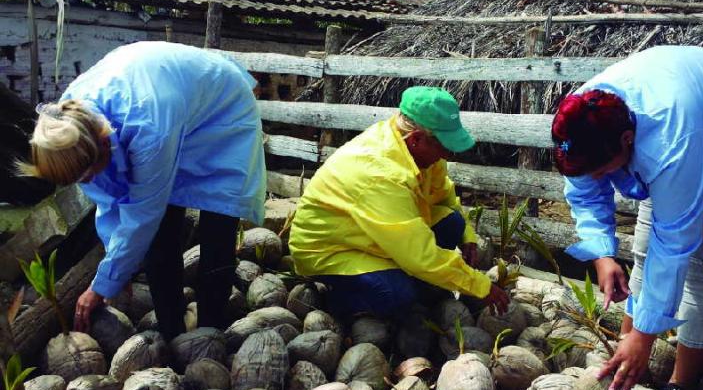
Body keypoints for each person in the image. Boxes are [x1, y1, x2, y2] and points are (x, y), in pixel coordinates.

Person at [551, 45, 703, 390]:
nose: (598, 178)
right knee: (643, 252)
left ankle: (681, 385)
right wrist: (602, 253)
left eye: (604, 171)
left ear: (627, 141)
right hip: (695, 122)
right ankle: (629, 358)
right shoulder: (578, 122)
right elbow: (584, 191)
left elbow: (676, 242)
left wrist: (645, 337)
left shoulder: (667, 142)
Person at [18, 41, 267, 340]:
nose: (86, 182)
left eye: (87, 174)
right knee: (160, 240)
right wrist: (116, 264)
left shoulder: (148, 130)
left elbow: (143, 213)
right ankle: (172, 334)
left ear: (103, 142)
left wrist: (103, 283)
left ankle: (211, 332)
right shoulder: (67, 122)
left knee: (218, 228)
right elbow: (108, 199)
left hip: (221, 110)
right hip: (171, 102)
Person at [289, 86, 509, 320]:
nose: (448, 155)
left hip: (375, 232)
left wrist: (467, 236)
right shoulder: (382, 174)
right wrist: (480, 286)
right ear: (416, 140)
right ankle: (333, 301)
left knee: (453, 222)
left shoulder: (419, 150)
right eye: (445, 147)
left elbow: (444, 194)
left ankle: (415, 283)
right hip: (331, 249)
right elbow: (419, 255)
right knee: (395, 296)